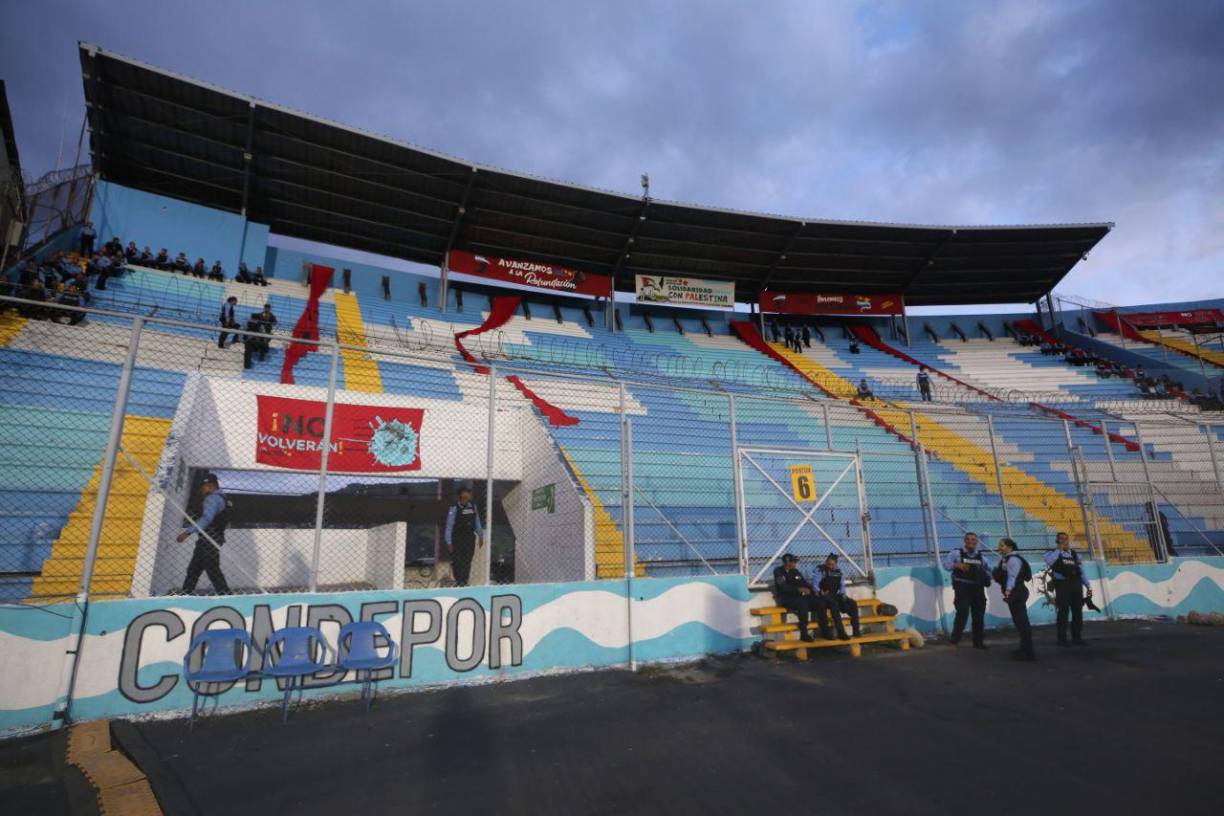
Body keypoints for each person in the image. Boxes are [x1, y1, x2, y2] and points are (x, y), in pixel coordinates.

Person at [176, 473, 232, 594]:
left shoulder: (211, 499)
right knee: (194, 569)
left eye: (203, 487)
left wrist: (187, 532)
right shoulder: (225, 498)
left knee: (211, 570)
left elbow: (207, 518)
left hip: (208, 539)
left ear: (210, 485)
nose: (201, 490)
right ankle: (185, 593)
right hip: (215, 538)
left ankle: (226, 594)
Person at [942, 532, 992, 648]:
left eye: (973, 539)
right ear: (964, 541)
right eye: (968, 539)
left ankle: (978, 642)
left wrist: (984, 575)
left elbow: (990, 572)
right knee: (962, 614)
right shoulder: (956, 553)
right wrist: (956, 565)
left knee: (978, 616)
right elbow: (946, 565)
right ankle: (954, 640)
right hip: (962, 588)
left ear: (977, 542)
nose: (971, 541)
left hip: (978, 589)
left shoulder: (982, 558)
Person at [1044, 532, 1091, 646]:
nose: (1064, 541)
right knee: (1063, 612)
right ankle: (1062, 638)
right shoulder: (1051, 553)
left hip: (1075, 584)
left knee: (1077, 611)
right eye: (1061, 539)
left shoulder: (1074, 555)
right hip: (1062, 584)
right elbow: (1050, 562)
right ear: (1057, 540)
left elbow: (1081, 572)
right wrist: (1059, 550)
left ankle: (1077, 637)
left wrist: (1088, 586)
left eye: (1066, 539)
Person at [994, 538, 1035, 661]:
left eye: (1002, 545)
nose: (999, 548)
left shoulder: (1013, 560)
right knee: (1019, 622)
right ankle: (1024, 648)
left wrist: (1008, 591)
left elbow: (1012, 577)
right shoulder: (1007, 559)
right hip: (1016, 592)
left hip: (1017, 592)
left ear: (1009, 547)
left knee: (1022, 623)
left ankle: (1029, 652)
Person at [773, 553, 826, 641]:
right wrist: (798, 589)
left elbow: (804, 583)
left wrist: (815, 591)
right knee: (802, 603)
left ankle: (824, 630)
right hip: (787, 599)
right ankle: (804, 633)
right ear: (787, 562)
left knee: (819, 601)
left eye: (795, 562)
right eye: (793, 562)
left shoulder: (795, 571)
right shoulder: (778, 571)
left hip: (799, 598)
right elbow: (783, 587)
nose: (795, 564)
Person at [812, 553, 859, 640]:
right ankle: (841, 632)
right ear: (826, 563)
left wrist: (843, 593)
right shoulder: (820, 570)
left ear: (836, 564)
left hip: (834, 595)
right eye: (829, 564)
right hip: (823, 596)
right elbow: (815, 585)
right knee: (834, 605)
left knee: (852, 604)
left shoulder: (838, 571)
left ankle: (856, 631)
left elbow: (842, 585)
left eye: (833, 564)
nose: (831, 566)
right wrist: (820, 591)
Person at [444, 484, 484, 587]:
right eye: (466, 492)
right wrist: (448, 542)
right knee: (457, 561)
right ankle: (459, 581)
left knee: (467, 560)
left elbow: (477, 521)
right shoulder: (454, 507)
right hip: (457, 538)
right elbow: (449, 525)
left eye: (469, 493)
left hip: (469, 538)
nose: (468, 495)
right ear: (461, 495)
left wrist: (480, 535)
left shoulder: (472, 506)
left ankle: (464, 581)